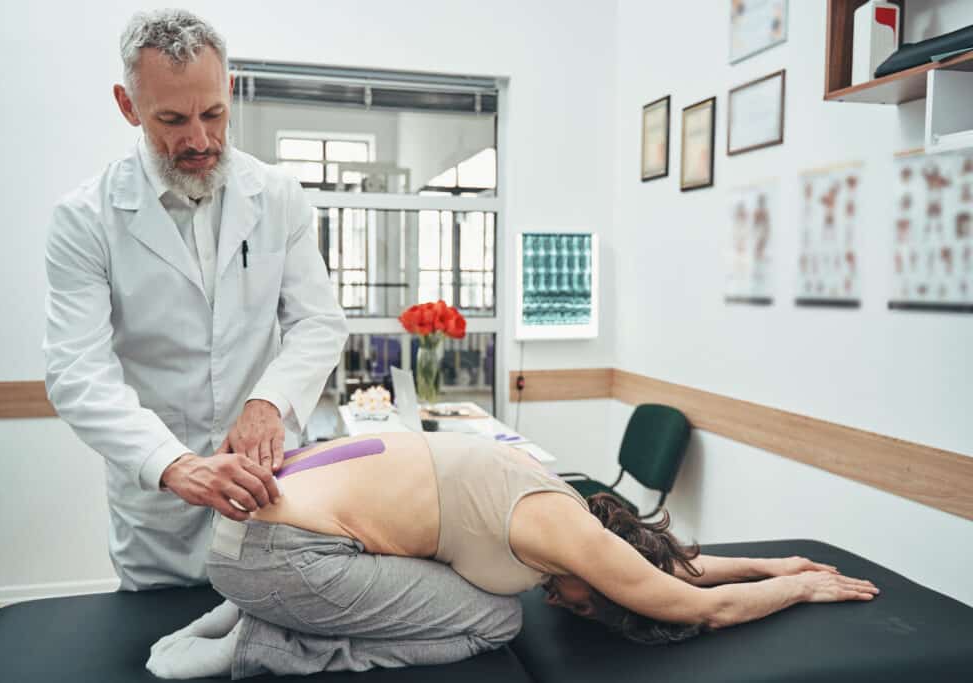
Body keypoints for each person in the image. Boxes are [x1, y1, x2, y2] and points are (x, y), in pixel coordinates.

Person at [146, 432, 879, 679]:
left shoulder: (556, 493)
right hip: (281, 560)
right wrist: (802, 591)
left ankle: (241, 609)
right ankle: (266, 642)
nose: (561, 602)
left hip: (243, 532)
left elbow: (676, 565)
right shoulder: (572, 541)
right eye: (586, 599)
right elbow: (699, 603)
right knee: (497, 618)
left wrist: (782, 562)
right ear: (605, 570)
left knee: (435, 563)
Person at [43, 9, 348, 590]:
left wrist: (269, 403)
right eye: (172, 120)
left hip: (270, 480)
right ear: (128, 106)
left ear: (229, 89)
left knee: (280, 633)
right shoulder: (85, 219)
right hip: (161, 504)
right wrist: (175, 464)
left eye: (213, 113)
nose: (200, 139)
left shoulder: (278, 197)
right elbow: (77, 372)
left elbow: (319, 323)